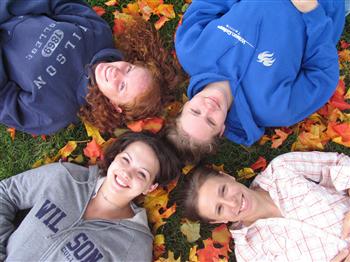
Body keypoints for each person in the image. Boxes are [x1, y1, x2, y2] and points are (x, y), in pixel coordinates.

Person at [166, 0, 347, 163]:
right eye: (211, 122)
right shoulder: (276, 109)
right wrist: (312, 12)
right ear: (221, 129)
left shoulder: (191, 51)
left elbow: (208, 5)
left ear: (185, 105)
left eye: (195, 111)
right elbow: (322, 74)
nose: (208, 108)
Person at [0, 0, 180, 135]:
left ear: (115, 106)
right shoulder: (99, 33)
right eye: (129, 69)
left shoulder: (53, 114)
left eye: (122, 86)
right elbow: (58, 3)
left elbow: (3, 100)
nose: (116, 71)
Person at [0, 131, 180, 261]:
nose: (127, 173)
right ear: (115, 157)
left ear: (150, 187)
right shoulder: (65, 177)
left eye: (142, 174)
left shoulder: (135, 245)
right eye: (126, 160)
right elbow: (5, 193)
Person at [177, 151, 350, 261]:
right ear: (216, 221)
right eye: (220, 209)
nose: (232, 202)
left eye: (223, 190)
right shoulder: (249, 254)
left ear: (228, 177)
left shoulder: (282, 169)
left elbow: (339, 164)